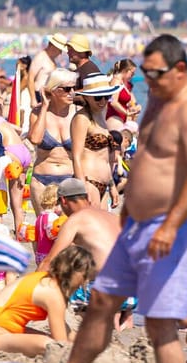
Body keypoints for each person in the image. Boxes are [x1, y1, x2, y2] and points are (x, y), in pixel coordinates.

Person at [56, 35, 187, 363]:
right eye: (144, 73)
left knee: (160, 322)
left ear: (180, 70)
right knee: (100, 301)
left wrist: (169, 225)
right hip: (137, 224)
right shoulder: (157, 103)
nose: (147, 80)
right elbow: (146, 159)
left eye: (155, 73)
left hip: (175, 226)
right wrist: (126, 211)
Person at [0, 245, 99, 357]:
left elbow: (64, 329)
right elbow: (61, 342)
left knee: (49, 340)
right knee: (51, 346)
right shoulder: (54, 293)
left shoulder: (46, 279)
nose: (84, 282)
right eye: (84, 276)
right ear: (74, 271)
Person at [69, 75, 120, 207]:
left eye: (106, 97)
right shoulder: (82, 118)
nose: (102, 101)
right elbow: (76, 156)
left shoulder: (100, 116)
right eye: (98, 97)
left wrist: (112, 185)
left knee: (102, 226)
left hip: (104, 184)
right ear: (86, 97)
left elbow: (105, 157)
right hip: (89, 182)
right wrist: (82, 187)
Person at [45, 176, 118, 265]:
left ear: (63, 200)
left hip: (105, 276)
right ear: (87, 197)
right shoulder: (112, 216)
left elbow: (49, 261)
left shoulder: (75, 220)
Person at [27, 71, 78, 189]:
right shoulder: (38, 112)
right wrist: (44, 106)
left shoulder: (78, 113)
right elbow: (35, 139)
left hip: (71, 178)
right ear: (53, 90)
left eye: (73, 88)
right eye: (67, 89)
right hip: (41, 180)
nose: (72, 93)